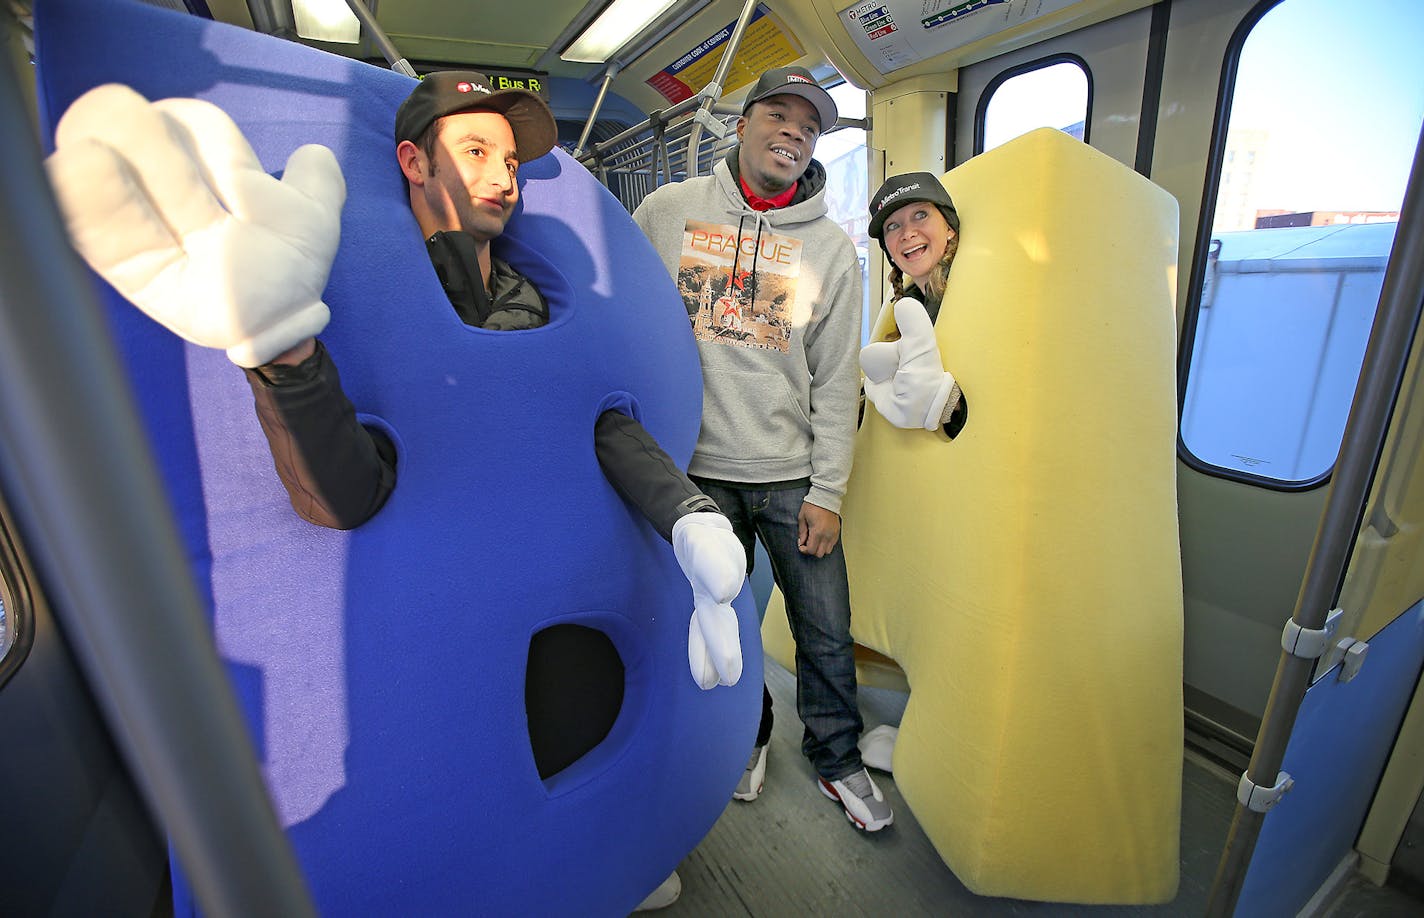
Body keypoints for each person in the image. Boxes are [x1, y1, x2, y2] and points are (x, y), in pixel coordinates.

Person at [46, 73, 746, 910]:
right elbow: (344, 497)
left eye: (513, 160)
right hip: (429, 620)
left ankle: (599, 869)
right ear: (413, 161)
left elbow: (594, 419)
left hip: (563, 588)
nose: (503, 175)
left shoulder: (543, 299)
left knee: (579, 740)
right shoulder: (363, 296)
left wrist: (689, 513)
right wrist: (282, 351)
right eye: (476, 151)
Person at [633, 66, 891, 832]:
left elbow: (839, 380)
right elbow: (621, 315)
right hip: (694, 470)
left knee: (822, 628)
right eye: (777, 116)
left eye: (808, 128)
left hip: (790, 478)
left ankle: (837, 760)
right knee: (717, 624)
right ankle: (741, 741)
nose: (792, 134)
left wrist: (829, 493)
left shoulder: (834, 253)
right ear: (741, 126)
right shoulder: (667, 212)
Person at [859, 172, 968, 436]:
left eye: (920, 215)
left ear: (949, 228)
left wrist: (950, 407)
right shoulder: (906, 305)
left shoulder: (972, 298)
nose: (908, 233)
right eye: (893, 226)